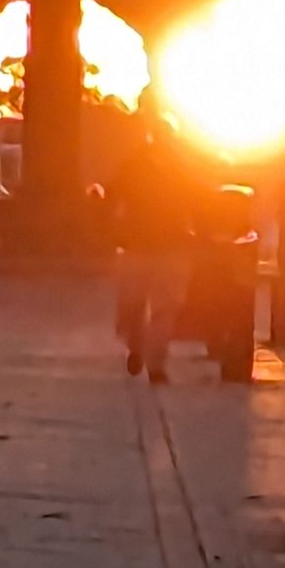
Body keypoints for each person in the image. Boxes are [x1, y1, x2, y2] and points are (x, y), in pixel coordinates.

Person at [105, 116, 196, 384]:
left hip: (142, 245)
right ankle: (149, 359)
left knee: (144, 307)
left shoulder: (135, 165)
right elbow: (200, 200)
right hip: (163, 246)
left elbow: (112, 195)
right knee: (160, 309)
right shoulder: (180, 168)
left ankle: (146, 355)